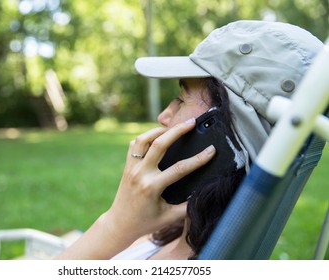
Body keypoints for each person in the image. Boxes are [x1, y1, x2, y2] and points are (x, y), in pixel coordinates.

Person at [56, 20, 324, 260]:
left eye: (182, 100)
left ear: (227, 133)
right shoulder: (178, 226)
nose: (164, 116)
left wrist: (116, 225)